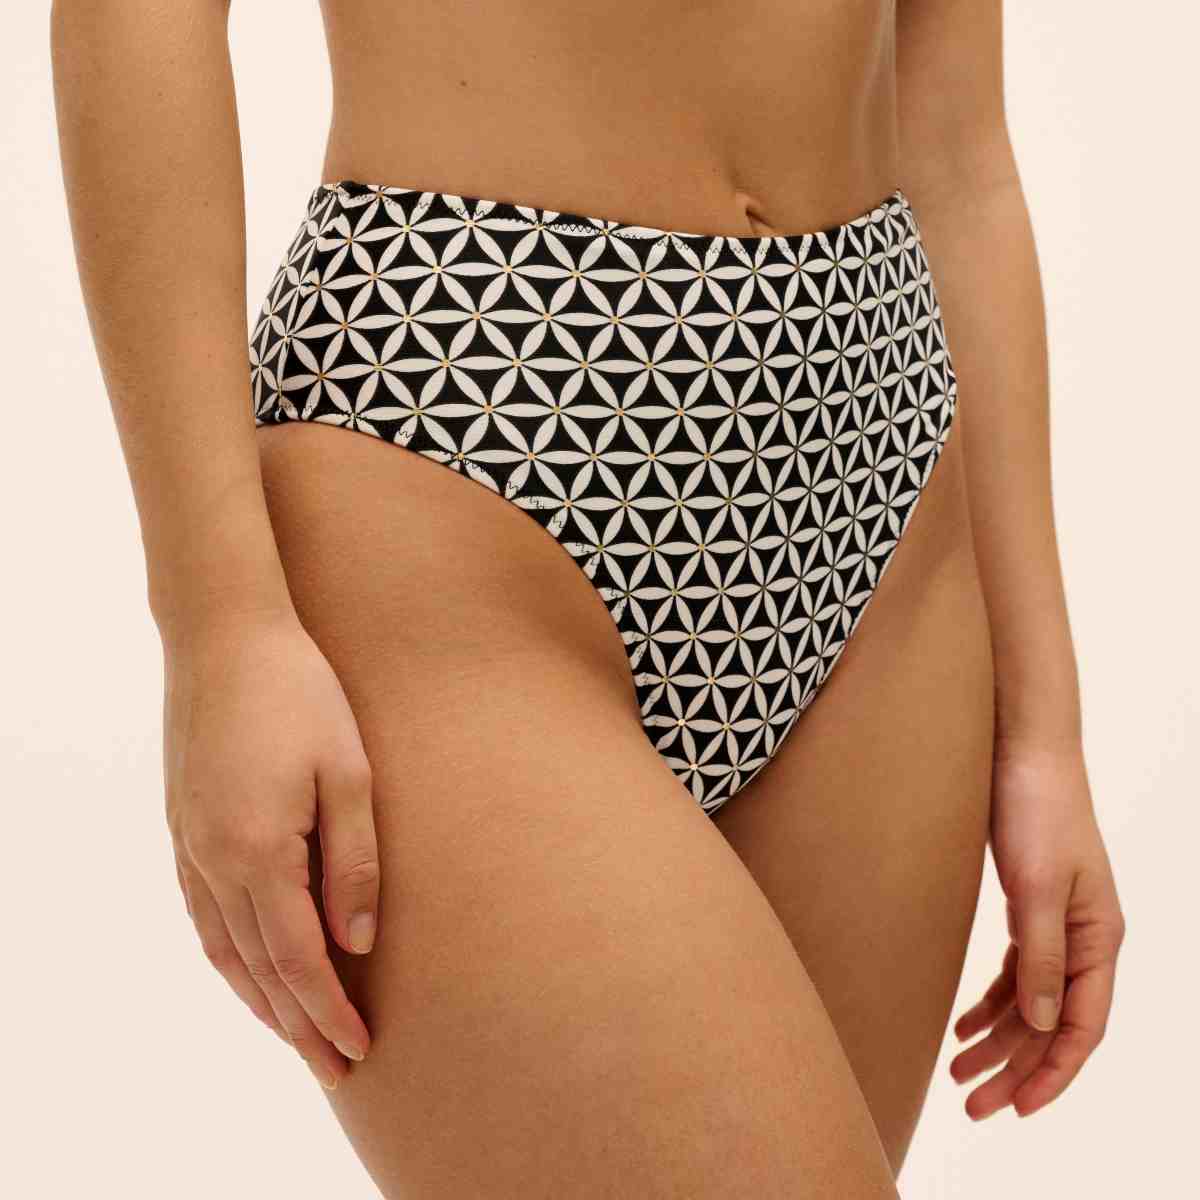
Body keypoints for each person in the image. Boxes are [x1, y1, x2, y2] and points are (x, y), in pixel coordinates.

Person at [51, 1, 1124, 1195]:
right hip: (467, 431)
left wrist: (1045, 733)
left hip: (877, 467)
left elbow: (960, 147)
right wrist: (218, 622)